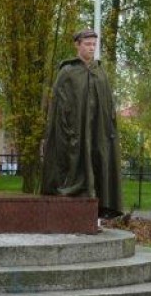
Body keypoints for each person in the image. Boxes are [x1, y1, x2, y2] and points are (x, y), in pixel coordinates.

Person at [41, 29, 123, 220]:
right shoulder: (67, 72)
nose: (91, 48)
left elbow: (108, 107)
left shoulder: (100, 73)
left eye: (94, 44)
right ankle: (68, 210)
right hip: (74, 134)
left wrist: (108, 131)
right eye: (87, 44)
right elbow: (58, 107)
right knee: (74, 165)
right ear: (77, 45)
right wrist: (66, 130)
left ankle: (96, 214)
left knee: (98, 164)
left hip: (97, 134)